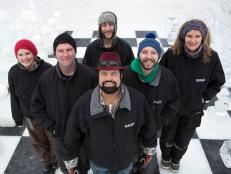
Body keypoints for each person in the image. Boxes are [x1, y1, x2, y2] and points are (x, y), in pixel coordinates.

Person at [63, 52, 157, 174]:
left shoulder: (137, 101)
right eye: (104, 73)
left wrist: (148, 150)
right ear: (98, 76)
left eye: (114, 73)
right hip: (98, 163)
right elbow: (72, 135)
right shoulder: (83, 103)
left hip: (126, 162)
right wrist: (71, 162)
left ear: (121, 76)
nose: (108, 78)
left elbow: (148, 128)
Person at [159, 19, 226, 172]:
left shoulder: (211, 57)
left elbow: (218, 81)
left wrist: (204, 97)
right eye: (189, 36)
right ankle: (165, 157)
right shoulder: (172, 54)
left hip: (193, 110)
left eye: (197, 36)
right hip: (171, 108)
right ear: (183, 36)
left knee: (183, 140)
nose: (193, 40)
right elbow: (160, 76)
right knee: (167, 137)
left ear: (203, 37)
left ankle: (176, 159)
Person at [31, 32, 96, 174]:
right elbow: (36, 106)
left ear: (75, 51)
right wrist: (52, 127)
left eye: (69, 50)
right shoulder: (46, 78)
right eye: (60, 50)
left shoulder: (89, 75)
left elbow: (98, 103)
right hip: (61, 136)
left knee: (84, 166)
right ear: (55, 53)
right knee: (67, 168)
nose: (65, 54)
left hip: (84, 136)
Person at [123, 33, 180, 174]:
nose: (149, 56)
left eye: (153, 52)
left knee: (145, 159)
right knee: (126, 158)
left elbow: (174, 102)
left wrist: (159, 122)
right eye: (144, 52)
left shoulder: (167, 78)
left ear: (159, 56)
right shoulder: (124, 74)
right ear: (138, 54)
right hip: (125, 130)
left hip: (151, 130)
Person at [8, 39, 57, 173]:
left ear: (34, 53)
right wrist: (17, 117)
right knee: (38, 141)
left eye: (27, 53)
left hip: (48, 116)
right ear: (17, 56)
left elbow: (56, 95)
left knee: (53, 140)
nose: (24, 57)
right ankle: (46, 163)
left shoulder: (47, 69)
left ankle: (54, 160)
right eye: (20, 54)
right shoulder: (13, 72)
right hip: (29, 117)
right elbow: (14, 95)